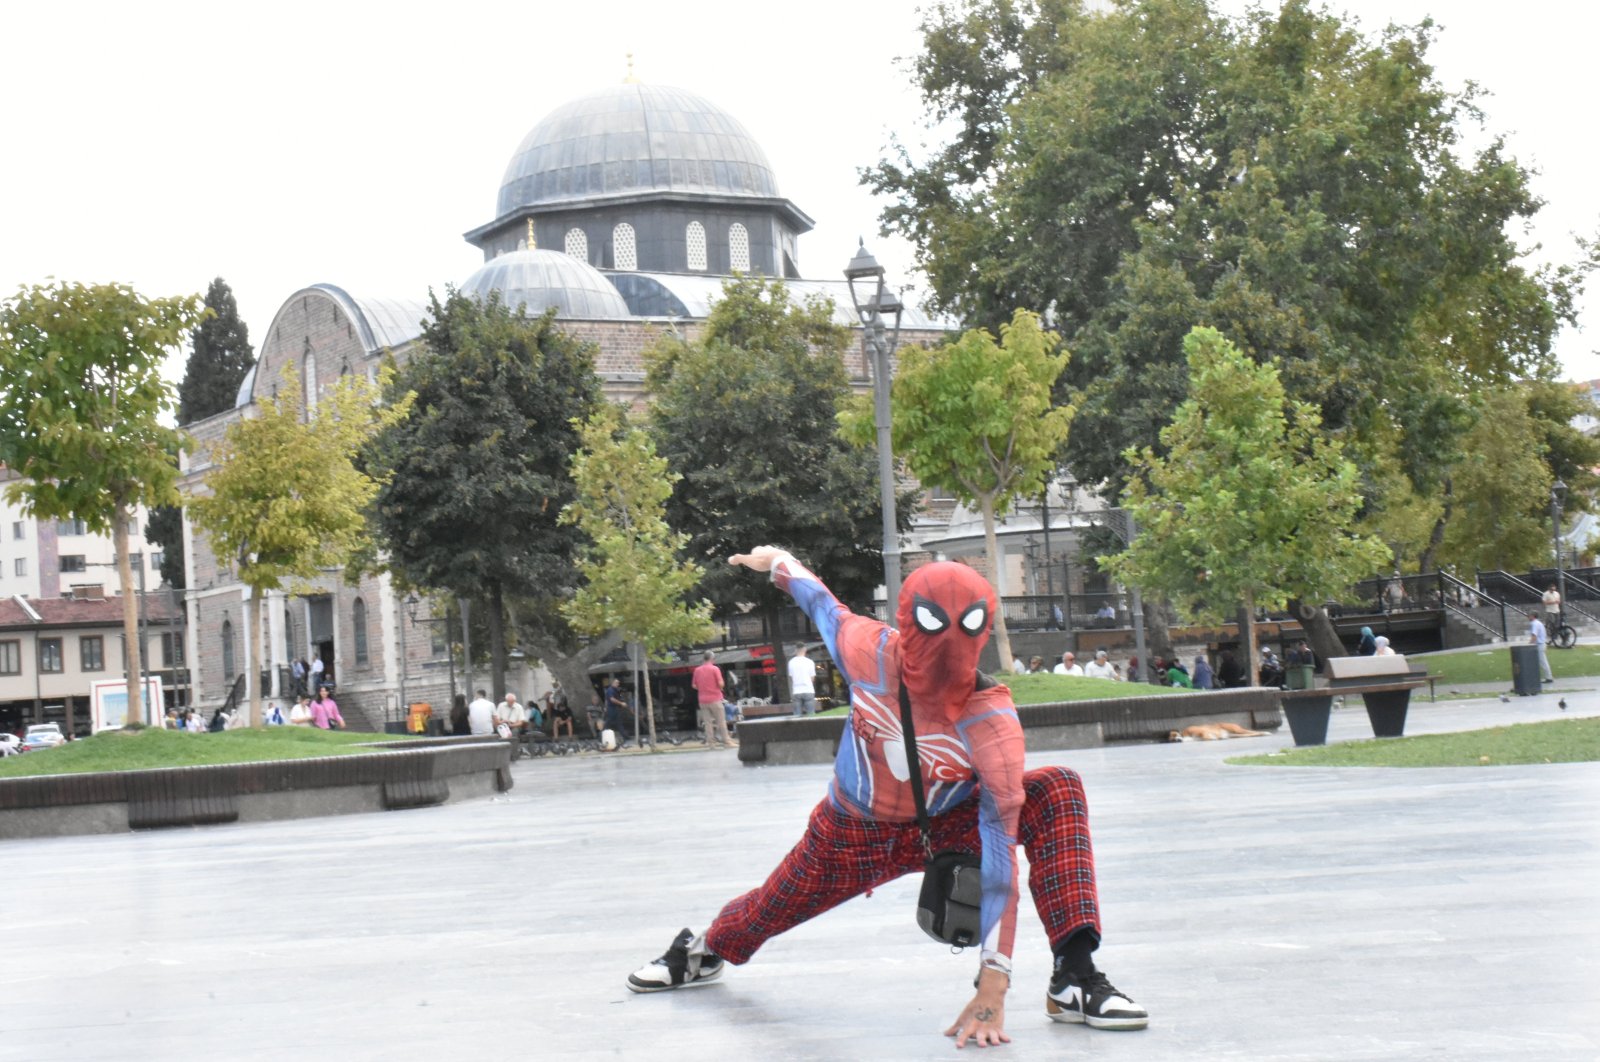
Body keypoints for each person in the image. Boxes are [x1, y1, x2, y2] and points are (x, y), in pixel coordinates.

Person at [626, 547, 1147, 1046]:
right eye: (931, 626)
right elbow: (822, 603)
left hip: (948, 824)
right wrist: (778, 562)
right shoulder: (866, 651)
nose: (944, 648)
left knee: (1056, 789)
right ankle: (703, 950)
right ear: (907, 621)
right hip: (850, 832)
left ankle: (1074, 977)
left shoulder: (989, 720)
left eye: (964, 628)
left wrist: (994, 983)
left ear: (982, 629)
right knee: (769, 908)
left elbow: (999, 842)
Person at [692, 651, 735, 748]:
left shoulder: (697, 670)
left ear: (704, 658)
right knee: (721, 721)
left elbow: (694, 685)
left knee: (708, 722)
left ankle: (711, 743)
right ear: (712, 659)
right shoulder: (715, 669)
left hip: (702, 700)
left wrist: (703, 688)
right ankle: (727, 742)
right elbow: (720, 683)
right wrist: (719, 687)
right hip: (715, 698)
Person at [788, 644, 818, 717]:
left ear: (795, 650)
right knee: (811, 715)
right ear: (805, 650)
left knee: (797, 716)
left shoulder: (791, 662)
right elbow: (812, 678)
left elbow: (791, 677)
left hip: (796, 691)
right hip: (808, 690)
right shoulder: (810, 662)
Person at [1527, 612, 1554, 683]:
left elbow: (1534, 636)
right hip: (1541, 644)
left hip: (1539, 644)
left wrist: (1529, 644)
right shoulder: (1539, 623)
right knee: (1540, 661)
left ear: (1533, 616)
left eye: (1529, 615)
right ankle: (1545, 676)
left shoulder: (1534, 624)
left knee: (1542, 661)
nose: (1528, 617)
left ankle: (1549, 677)